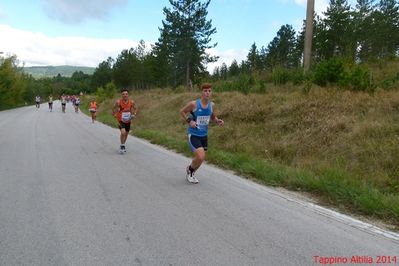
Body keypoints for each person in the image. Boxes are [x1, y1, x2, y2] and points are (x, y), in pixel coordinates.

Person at [180, 83, 224, 184]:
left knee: (201, 159)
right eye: (205, 91)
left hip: (204, 135)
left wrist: (217, 121)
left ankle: (191, 170)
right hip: (194, 134)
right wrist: (189, 121)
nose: (207, 93)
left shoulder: (211, 105)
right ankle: (190, 171)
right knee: (200, 156)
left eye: (209, 91)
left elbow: (212, 116)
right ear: (201, 92)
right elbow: (182, 111)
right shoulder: (194, 104)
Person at [112, 89, 137, 154]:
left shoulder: (131, 102)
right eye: (123, 94)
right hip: (121, 120)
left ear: (128, 95)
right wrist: (114, 113)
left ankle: (122, 145)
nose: (125, 95)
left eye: (126, 94)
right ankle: (122, 146)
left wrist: (134, 114)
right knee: (123, 132)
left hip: (128, 120)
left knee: (126, 134)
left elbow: (135, 108)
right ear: (121, 95)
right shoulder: (118, 102)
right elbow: (113, 108)